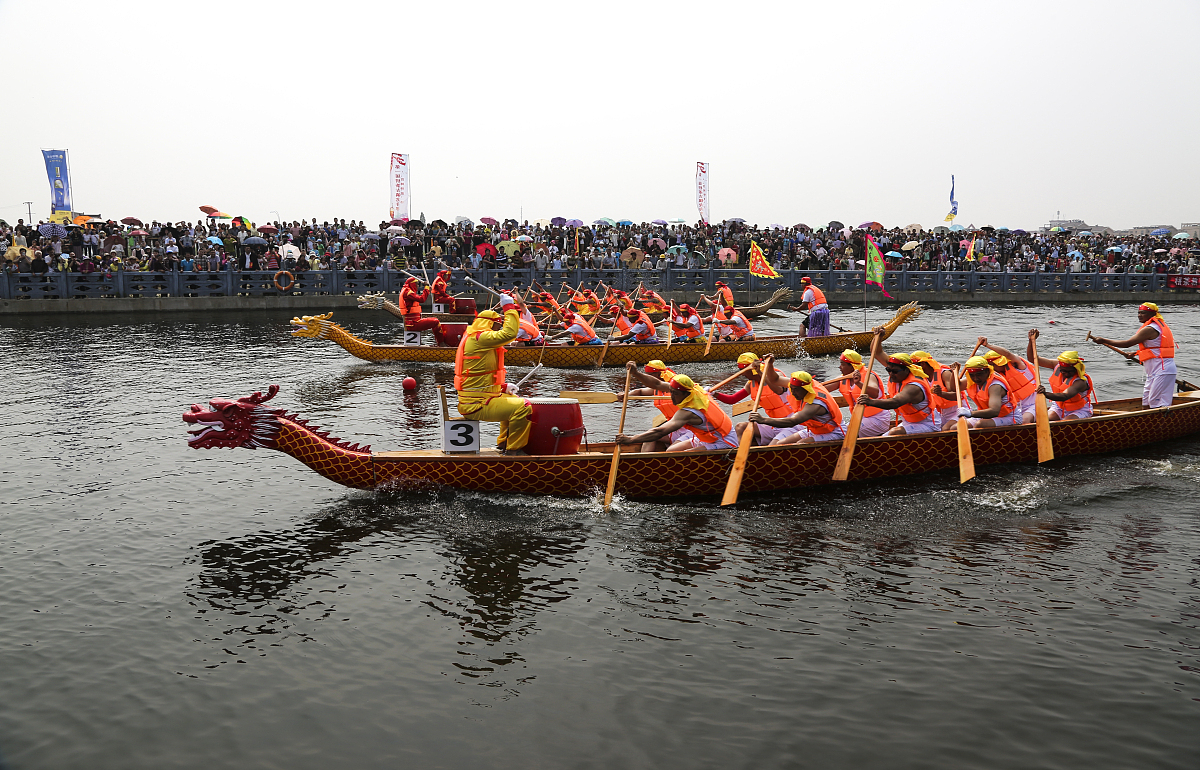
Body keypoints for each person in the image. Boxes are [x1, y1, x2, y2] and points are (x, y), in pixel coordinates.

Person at [453, 299, 532, 455]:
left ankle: (503, 443)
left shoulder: (473, 336)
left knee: (514, 400)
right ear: (489, 324)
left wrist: (502, 387)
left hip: (479, 397)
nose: (498, 329)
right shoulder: (481, 338)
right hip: (476, 404)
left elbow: (478, 375)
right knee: (523, 407)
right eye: (497, 326)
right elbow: (509, 333)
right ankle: (514, 451)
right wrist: (509, 307)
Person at [615, 368, 737, 451]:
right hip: (705, 437)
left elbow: (659, 432)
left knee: (676, 455)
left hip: (723, 441)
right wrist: (636, 373)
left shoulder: (688, 412)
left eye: (675, 394)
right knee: (670, 450)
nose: (671, 396)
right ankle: (642, 464)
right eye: (671, 392)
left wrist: (630, 439)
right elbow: (657, 384)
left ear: (685, 394)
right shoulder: (694, 389)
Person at [1090, 302, 1177, 408]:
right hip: (1153, 371)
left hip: (1163, 370)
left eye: (1143, 313)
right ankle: (1146, 420)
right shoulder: (1153, 326)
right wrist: (1136, 353)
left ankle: (1162, 422)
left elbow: (1127, 343)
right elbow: (1155, 347)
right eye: (1138, 312)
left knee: (1155, 401)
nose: (1139, 315)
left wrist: (1104, 340)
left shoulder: (1150, 329)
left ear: (1152, 314)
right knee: (1146, 401)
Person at [710, 353, 790, 446]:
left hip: (791, 423)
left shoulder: (776, 375)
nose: (742, 374)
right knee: (740, 427)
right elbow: (732, 399)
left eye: (743, 370)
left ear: (753, 369)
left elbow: (778, 390)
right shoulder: (750, 384)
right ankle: (735, 454)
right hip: (773, 424)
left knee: (772, 445)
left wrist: (760, 373)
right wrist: (714, 393)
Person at [746, 370, 845, 445]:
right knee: (779, 444)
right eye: (791, 389)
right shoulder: (800, 384)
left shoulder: (815, 404)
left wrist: (763, 420)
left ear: (805, 389)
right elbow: (775, 379)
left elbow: (792, 421)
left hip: (835, 432)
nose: (793, 393)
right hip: (815, 431)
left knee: (801, 444)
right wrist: (771, 364)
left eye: (796, 390)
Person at [615, 359, 689, 452]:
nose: (646, 378)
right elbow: (640, 391)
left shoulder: (677, 387)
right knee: (648, 437)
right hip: (674, 427)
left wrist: (636, 373)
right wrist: (626, 395)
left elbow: (657, 383)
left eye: (649, 375)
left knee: (671, 450)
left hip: (690, 429)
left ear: (659, 374)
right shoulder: (656, 389)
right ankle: (643, 462)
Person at [857, 351, 938, 435]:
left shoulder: (913, 387)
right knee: (885, 437)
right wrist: (878, 338)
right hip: (909, 422)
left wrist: (870, 402)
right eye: (888, 370)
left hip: (928, 424)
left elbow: (895, 402)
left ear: (907, 370)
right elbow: (877, 352)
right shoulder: (898, 376)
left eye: (895, 371)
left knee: (894, 432)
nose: (891, 374)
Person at [1027, 331, 1096, 420]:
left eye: (1069, 371)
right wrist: (1031, 341)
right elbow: (1033, 359)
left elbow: (1065, 396)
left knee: (1066, 422)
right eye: (1063, 371)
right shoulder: (1057, 365)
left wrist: (1045, 394)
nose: (1066, 374)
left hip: (1079, 410)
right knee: (1041, 420)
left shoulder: (1080, 381)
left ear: (1076, 368)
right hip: (1059, 407)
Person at [937, 355, 1017, 429]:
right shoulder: (972, 380)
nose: (976, 378)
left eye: (979, 374)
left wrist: (971, 413)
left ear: (987, 371)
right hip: (985, 416)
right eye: (972, 375)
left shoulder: (995, 386)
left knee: (980, 424)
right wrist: (955, 373)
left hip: (1008, 417)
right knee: (955, 428)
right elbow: (955, 388)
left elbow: (994, 411)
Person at [975, 338, 1039, 424]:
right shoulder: (994, 378)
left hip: (1033, 405)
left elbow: (1008, 354)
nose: (992, 369)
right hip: (1013, 409)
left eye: (993, 365)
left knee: (1025, 420)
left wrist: (987, 345)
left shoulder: (1019, 366)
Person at [833, 350, 889, 437]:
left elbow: (874, 393)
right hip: (860, 418)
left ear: (852, 366)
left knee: (845, 433)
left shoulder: (869, 375)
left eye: (842, 364)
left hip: (878, 418)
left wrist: (859, 383)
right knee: (838, 431)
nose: (839, 367)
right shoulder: (843, 378)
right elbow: (823, 388)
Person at [910, 351, 960, 429]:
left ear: (922, 364)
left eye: (913, 366)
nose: (912, 369)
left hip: (958, 411)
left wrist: (941, 393)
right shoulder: (922, 376)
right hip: (941, 413)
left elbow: (956, 396)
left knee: (945, 429)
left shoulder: (945, 373)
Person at [399, 276, 444, 344]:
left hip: (412, 322)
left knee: (433, 321)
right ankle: (441, 343)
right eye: (416, 284)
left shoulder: (406, 290)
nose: (417, 286)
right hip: (413, 323)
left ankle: (438, 342)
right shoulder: (408, 293)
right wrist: (426, 288)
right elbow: (422, 299)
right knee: (436, 321)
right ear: (412, 284)